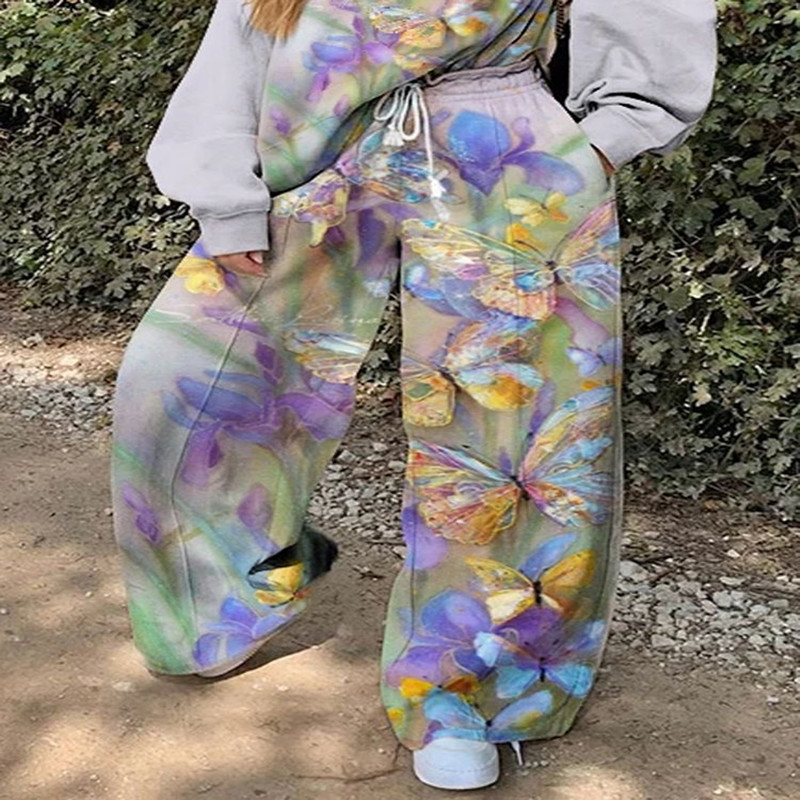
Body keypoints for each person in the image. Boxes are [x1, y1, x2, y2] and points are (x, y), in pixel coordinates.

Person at [109, 0, 718, 790]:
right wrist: (226, 196)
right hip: (314, 148)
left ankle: (462, 691)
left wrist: (603, 138)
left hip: (505, 149)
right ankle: (234, 596)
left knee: (505, 443)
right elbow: (244, 33)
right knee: (182, 387)